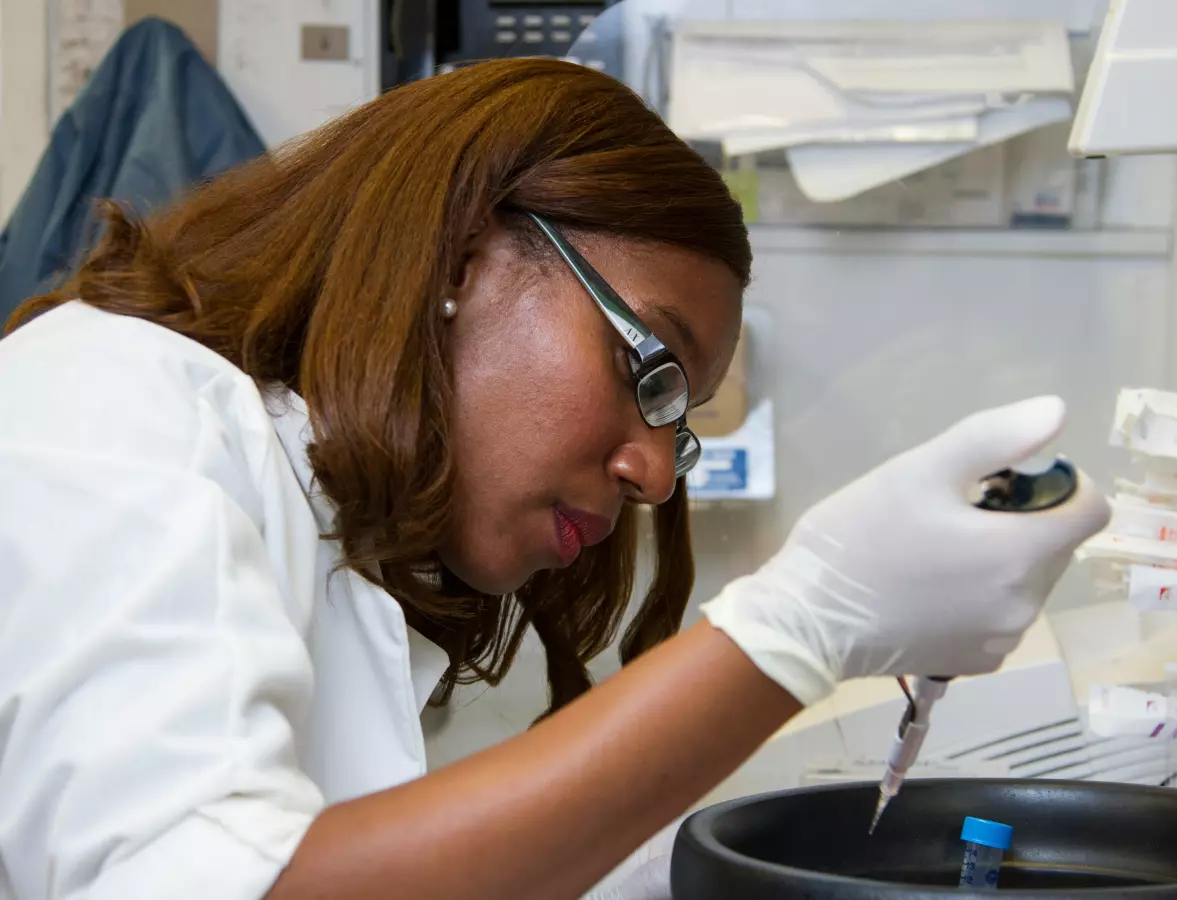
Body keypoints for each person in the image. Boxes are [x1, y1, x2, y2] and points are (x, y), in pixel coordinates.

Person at [0, 58, 1110, 900]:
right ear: (462, 254)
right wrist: (800, 627)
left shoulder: (337, 536)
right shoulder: (107, 407)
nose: (654, 474)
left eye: (679, 421)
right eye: (654, 370)